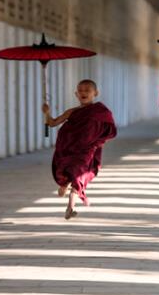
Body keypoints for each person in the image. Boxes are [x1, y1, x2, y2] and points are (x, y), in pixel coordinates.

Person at [42, 79, 117, 219]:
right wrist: (46, 113)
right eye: (81, 90)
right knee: (68, 172)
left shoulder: (101, 111)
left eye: (87, 90)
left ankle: (70, 207)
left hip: (86, 150)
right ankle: (64, 184)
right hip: (69, 148)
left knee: (78, 177)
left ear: (96, 93)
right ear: (76, 94)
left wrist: (99, 141)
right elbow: (52, 123)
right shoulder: (71, 112)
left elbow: (110, 130)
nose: (84, 93)